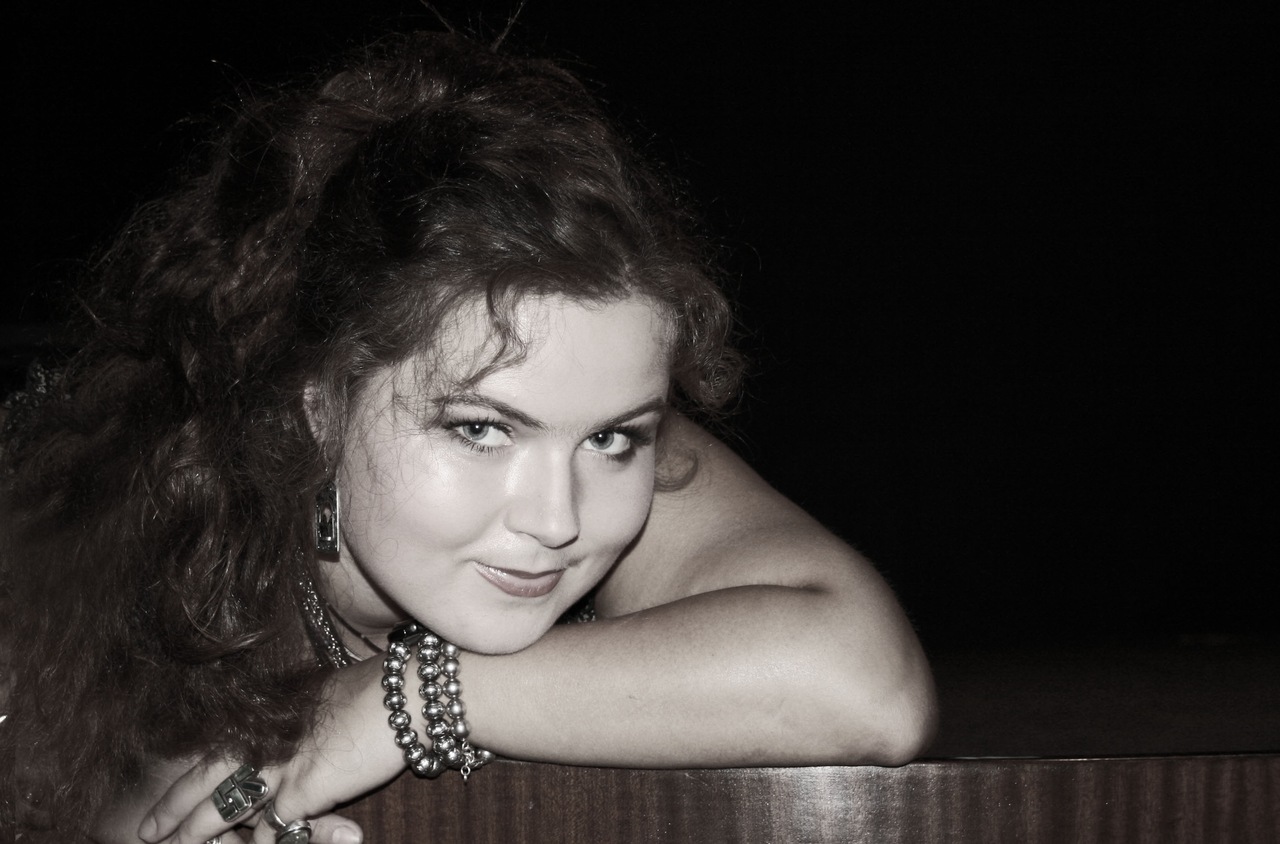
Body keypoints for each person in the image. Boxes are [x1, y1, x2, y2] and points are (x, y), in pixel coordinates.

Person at [1, 30, 936, 844]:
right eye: (483, 429)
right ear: (316, 409)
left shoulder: (604, 436)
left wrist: (405, 698)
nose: (559, 519)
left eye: (615, 439)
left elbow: (866, 687)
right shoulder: (144, 528)